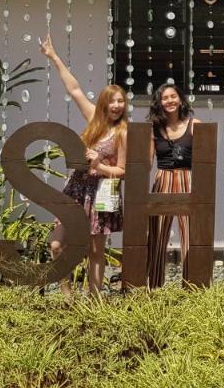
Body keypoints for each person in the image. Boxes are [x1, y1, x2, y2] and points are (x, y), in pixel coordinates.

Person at [39, 34, 127, 299]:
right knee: (56, 244)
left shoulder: (123, 132)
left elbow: (122, 171)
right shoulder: (93, 119)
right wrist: (54, 57)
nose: (116, 105)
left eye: (121, 101)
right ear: (104, 103)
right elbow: (75, 89)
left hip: (103, 190)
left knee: (96, 251)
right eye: (112, 101)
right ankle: (67, 296)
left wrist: (99, 164)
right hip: (76, 188)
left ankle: (94, 299)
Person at [147, 82, 200, 287]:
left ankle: (191, 286)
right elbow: (146, 161)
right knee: (157, 233)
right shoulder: (154, 129)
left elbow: (206, 155)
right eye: (165, 98)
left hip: (188, 178)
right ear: (159, 103)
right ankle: (155, 287)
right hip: (163, 178)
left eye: (173, 96)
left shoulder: (195, 124)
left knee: (190, 234)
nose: (169, 101)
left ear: (180, 99)